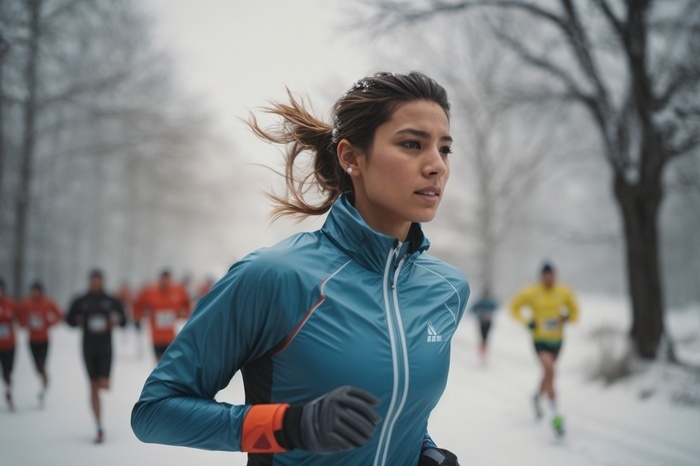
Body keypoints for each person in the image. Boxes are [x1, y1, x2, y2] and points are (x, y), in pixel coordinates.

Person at [131, 71, 469, 466]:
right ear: (350, 157)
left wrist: (424, 450)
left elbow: (400, 409)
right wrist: (286, 426)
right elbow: (154, 413)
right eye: (412, 144)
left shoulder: (446, 288)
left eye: (444, 149)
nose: (436, 166)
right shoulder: (275, 276)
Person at [509, 262, 579, 436]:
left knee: (548, 374)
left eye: (552, 275)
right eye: (546, 275)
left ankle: (537, 397)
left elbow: (575, 312)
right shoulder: (531, 292)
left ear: (555, 276)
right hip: (540, 340)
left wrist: (567, 317)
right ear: (541, 276)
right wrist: (527, 322)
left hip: (557, 341)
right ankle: (555, 416)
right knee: (550, 371)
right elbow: (513, 308)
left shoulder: (564, 291)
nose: (549, 278)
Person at [66, 269, 127, 443]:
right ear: (89, 282)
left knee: (104, 385)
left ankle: (102, 384)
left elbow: (124, 321)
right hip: (88, 347)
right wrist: (76, 320)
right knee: (92, 386)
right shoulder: (81, 300)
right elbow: (68, 320)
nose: (95, 283)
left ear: (102, 282)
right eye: (93, 280)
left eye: (98, 280)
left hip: (106, 348)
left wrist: (117, 320)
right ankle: (99, 425)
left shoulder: (111, 300)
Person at [17, 281, 63, 407]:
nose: (35, 293)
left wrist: (50, 323)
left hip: (44, 340)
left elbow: (59, 315)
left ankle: (44, 386)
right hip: (32, 340)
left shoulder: (48, 303)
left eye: (37, 291)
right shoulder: (26, 303)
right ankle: (43, 380)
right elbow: (17, 314)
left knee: (42, 365)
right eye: (33, 291)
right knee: (37, 367)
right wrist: (23, 323)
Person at [132, 270, 190, 362]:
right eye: (163, 280)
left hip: (170, 336)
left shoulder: (177, 291)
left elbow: (187, 305)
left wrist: (182, 314)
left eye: (167, 280)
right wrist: (141, 315)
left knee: (171, 362)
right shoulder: (150, 292)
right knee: (159, 363)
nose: (165, 283)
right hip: (156, 337)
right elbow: (137, 305)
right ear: (159, 280)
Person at [0, 278, 18, 411]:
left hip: (9, 344)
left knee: (8, 372)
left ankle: (8, 393)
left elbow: (20, 317)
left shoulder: (10, 304)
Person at [469, 288, 498, 362]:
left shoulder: (491, 302)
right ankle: (482, 353)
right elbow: (472, 310)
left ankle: (484, 353)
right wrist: (480, 314)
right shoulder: (480, 301)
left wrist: (489, 313)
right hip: (481, 322)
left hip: (488, 322)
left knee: (486, 338)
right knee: (482, 337)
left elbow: (497, 306)